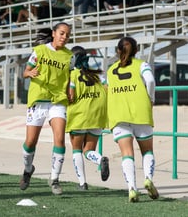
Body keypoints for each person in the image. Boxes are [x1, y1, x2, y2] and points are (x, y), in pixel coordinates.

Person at [19, 22, 73, 195]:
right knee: (30, 142)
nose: (64, 37)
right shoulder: (40, 50)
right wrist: (30, 73)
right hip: (38, 101)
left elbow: (70, 76)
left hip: (57, 101)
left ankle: (54, 178)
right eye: (62, 33)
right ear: (54, 33)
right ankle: (28, 170)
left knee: (59, 139)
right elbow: (25, 72)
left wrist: (70, 91)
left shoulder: (69, 56)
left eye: (67, 35)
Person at [107, 36, 159, 203]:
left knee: (127, 154)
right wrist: (151, 99)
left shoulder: (110, 70)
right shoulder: (141, 65)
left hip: (118, 114)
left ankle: (131, 188)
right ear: (136, 51)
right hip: (140, 112)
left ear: (117, 51)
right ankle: (148, 179)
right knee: (147, 151)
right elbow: (150, 80)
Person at [66, 46, 109, 190]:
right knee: (88, 150)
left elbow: (70, 95)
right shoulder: (97, 75)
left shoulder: (72, 75)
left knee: (77, 149)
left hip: (80, 115)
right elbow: (107, 89)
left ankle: (82, 183)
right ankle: (100, 159)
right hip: (98, 115)